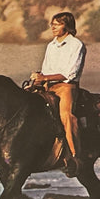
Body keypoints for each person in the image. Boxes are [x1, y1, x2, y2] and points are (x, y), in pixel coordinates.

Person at [29, 11, 86, 175]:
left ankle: (74, 156)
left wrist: (45, 77)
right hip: (48, 85)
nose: (52, 27)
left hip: (67, 86)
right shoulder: (51, 45)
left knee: (66, 116)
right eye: (52, 24)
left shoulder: (76, 45)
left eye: (57, 24)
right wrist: (38, 79)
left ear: (66, 26)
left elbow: (70, 73)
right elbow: (46, 68)